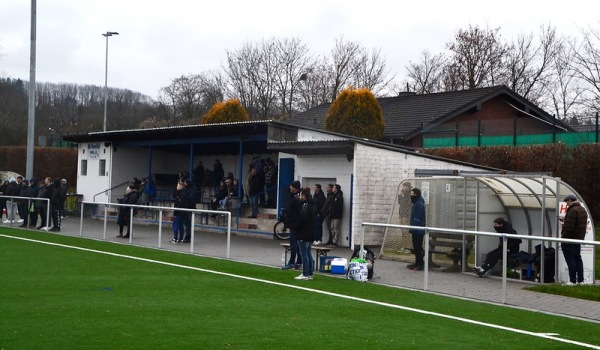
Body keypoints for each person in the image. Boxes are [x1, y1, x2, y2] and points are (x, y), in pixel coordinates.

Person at [560, 194, 588, 285]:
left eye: (566, 202)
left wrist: (563, 238)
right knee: (578, 259)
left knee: (570, 260)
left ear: (569, 200)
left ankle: (572, 281)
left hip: (570, 240)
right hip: (578, 239)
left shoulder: (572, 210)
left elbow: (569, 228)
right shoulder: (582, 209)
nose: (566, 204)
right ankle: (581, 280)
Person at [294, 188, 317, 280]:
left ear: (304, 196)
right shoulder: (313, 205)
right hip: (311, 232)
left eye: (300, 195)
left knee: (304, 253)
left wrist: (296, 226)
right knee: (308, 253)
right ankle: (310, 273)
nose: (300, 197)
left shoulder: (305, 206)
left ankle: (305, 273)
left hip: (304, 232)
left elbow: (302, 219)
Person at [282, 180, 303, 270]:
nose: (290, 188)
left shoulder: (296, 198)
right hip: (295, 224)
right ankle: (298, 261)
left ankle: (292, 261)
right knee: (297, 244)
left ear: (294, 187)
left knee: (294, 243)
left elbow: (297, 211)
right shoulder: (296, 197)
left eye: (291, 186)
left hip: (294, 224)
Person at [407, 188, 426, 271]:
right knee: (415, 246)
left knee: (418, 247)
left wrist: (414, 226)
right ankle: (417, 262)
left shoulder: (419, 204)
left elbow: (417, 218)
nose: (411, 196)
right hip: (415, 229)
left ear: (416, 194)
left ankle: (420, 264)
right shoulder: (416, 203)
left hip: (418, 230)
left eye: (412, 194)